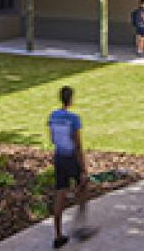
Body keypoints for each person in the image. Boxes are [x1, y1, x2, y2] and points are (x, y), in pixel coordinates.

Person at [48, 86, 95, 247]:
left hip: (59, 158)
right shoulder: (73, 119)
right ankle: (81, 226)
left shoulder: (53, 116)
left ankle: (58, 234)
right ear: (71, 99)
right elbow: (78, 146)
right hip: (71, 158)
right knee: (83, 187)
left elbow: (53, 139)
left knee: (60, 194)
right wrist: (83, 169)